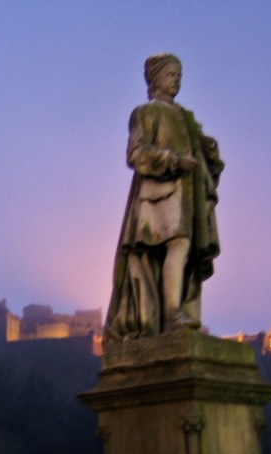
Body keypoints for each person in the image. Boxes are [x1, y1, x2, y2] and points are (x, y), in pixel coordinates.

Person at [106, 53, 224, 339]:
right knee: (178, 246)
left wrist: (207, 151)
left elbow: (202, 154)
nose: (176, 81)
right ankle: (171, 313)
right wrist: (172, 161)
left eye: (179, 76)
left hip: (185, 196)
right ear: (155, 78)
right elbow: (135, 153)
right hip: (157, 197)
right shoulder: (145, 113)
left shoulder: (186, 118)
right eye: (171, 75)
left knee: (182, 250)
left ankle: (175, 311)